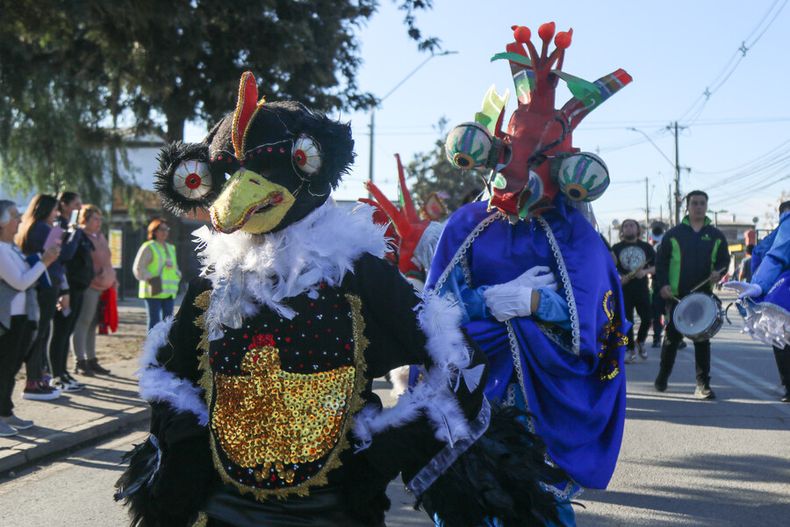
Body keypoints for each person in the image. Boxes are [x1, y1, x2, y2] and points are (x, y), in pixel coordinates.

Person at [116, 71, 558, 527]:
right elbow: (169, 378)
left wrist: (378, 457)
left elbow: (459, 361)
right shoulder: (215, 282)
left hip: (336, 509)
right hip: (224, 507)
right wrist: (187, 460)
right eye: (230, 174)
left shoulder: (358, 274)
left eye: (265, 172)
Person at [436, 23, 632, 525]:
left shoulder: (579, 239)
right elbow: (438, 307)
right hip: (476, 379)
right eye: (510, 152)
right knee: (470, 495)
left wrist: (535, 305)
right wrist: (488, 302)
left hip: (542, 393)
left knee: (536, 502)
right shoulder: (467, 224)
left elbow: (597, 324)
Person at [654, 190, 730, 399]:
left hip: (702, 298)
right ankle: (663, 376)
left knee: (702, 341)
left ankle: (702, 385)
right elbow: (660, 263)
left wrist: (719, 273)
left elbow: (724, 261)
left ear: (707, 206)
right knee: (671, 339)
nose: (698, 206)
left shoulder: (715, 235)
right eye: (694, 203)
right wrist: (663, 285)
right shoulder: (673, 234)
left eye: (702, 203)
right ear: (687, 206)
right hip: (677, 297)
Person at [0, 200, 60, 436]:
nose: (20, 220)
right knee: (3, 369)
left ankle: (6, 412)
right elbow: (21, 282)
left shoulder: (11, 247)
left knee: (12, 368)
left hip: (22, 317)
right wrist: (44, 262)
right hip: (7, 320)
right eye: (15, 216)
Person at [726, 201, 790, 402]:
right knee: (782, 341)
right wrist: (758, 286)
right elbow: (773, 258)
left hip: (778, 294)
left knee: (782, 342)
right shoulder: (779, 233)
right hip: (781, 293)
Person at [15, 194, 64, 400]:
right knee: (41, 333)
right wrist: (64, 231)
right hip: (46, 284)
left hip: (39, 284)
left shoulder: (28, 227)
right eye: (54, 210)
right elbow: (62, 254)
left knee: (41, 332)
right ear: (45, 209)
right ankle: (34, 381)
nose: (57, 214)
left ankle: (38, 377)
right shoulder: (43, 229)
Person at [71, 205, 116, 375]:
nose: (99, 222)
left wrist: (113, 279)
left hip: (104, 287)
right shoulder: (81, 236)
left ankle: (91, 359)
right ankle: (79, 361)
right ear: (85, 219)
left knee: (93, 324)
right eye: (95, 218)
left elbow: (107, 260)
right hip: (89, 286)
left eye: (100, 219)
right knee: (83, 322)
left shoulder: (100, 236)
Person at [612, 219, 656, 363]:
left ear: (637, 230)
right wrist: (619, 278)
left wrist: (645, 272)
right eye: (626, 226)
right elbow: (609, 268)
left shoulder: (646, 247)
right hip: (624, 289)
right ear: (622, 231)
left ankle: (641, 341)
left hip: (642, 288)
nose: (629, 228)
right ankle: (630, 350)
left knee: (647, 318)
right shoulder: (616, 248)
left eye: (632, 225)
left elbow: (657, 267)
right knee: (627, 320)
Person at [133, 219, 181, 330]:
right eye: (161, 229)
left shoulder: (171, 248)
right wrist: (150, 278)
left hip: (169, 292)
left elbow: (175, 267)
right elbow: (138, 268)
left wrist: (178, 274)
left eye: (166, 229)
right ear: (154, 231)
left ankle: (165, 347)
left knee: (168, 323)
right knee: (154, 322)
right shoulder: (149, 247)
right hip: (154, 291)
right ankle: (152, 347)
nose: (165, 232)